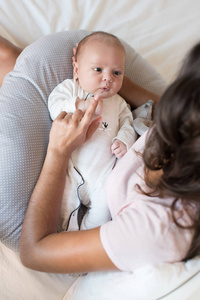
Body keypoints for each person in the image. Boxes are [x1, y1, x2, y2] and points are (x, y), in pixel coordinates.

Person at [19, 41, 200, 274]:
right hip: (80, 169)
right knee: (16, 61)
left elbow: (34, 252)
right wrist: (103, 71)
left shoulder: (161, 227)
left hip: (100, 178)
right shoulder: (181, 119)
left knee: (89, 211)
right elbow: (159, 102)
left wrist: (58, 151)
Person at [48, 31, 137, 231]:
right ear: (77, 70)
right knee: (61, 210)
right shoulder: (72, 89)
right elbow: (54, 106)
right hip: (72, 170)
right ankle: (65, 236)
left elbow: (128, 124)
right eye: (98, 69)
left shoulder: (119, 103)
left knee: (103, 214)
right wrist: (80, 105)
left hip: (103, 177)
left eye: (116, 73)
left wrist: (124, 141)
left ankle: (85, 237)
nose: (108, 79)